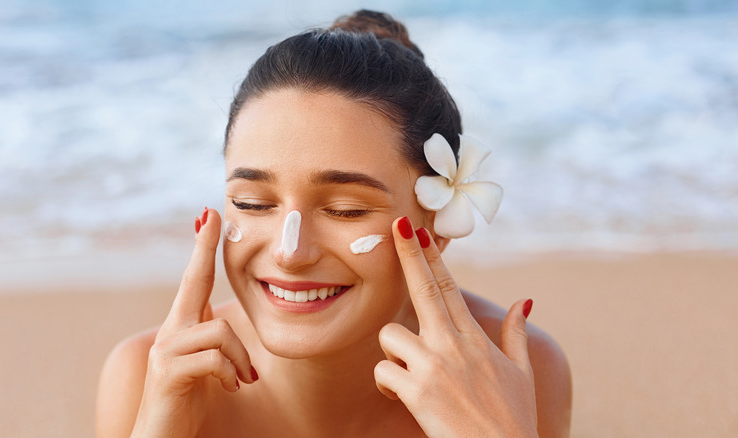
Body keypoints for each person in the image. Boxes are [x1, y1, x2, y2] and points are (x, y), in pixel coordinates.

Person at [96, 10, 572, 437]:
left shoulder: (509, 374)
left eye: (346, 210)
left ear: (437, 221)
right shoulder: (148, 377)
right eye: (254, 203)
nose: (289, 251)